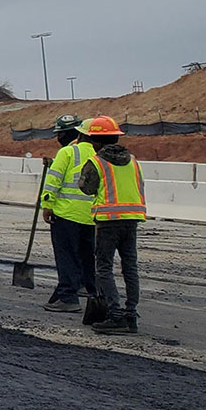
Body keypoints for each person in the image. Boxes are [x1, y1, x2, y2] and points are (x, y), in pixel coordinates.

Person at [77, 116, 145, 334]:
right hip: (131, 219)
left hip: (108, 222)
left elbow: (86, 188)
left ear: (95, 141)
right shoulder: (133, 161)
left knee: (104, 268)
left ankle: (115, 315)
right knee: (130, 267)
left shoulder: (97, 162)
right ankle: (130, 314)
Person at [38, 114, 96, 312]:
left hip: (67, 214)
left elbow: (54, 180)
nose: (58, 137)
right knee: (88, 256)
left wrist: (47, 204)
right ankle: (90, 291)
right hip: (92, 215)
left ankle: (67, 297)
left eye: (60, 133)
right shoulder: (100, 153)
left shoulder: (68, 152)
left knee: (67, 257)